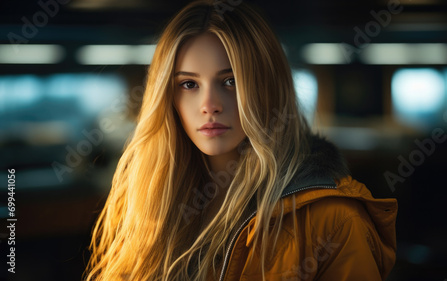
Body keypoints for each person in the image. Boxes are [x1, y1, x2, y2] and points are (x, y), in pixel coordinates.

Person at [85, 0, 397, 280]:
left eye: (230, 81)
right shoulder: (149, 203)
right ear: (167, 97)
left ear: (268, 87)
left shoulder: (334, 220)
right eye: (189, 84)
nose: (210, 104)